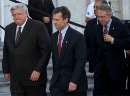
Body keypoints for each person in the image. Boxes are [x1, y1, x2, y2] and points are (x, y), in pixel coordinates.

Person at [2, 3, 51, 96]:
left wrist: (38, 70)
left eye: (19, 14)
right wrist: (6, 70)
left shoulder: (38, 26)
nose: (16, 17)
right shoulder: (9, 28)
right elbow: (6, 51)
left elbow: (46, 50)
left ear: (26, 13)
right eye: (14, 15)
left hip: (34, 78)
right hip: (16, 79)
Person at [85, 4, 130, 96]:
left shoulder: (119, 25)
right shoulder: (96, 27)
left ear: (109, 15)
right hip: (100, 71)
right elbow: (92, 47)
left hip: (116, 71)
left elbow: (128, 43)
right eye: (98, 17)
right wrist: (94, 63)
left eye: (103, 17)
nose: (100, 19)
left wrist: (113, 40)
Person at [50, 6, 88, 96]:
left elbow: (81, 60)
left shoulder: (78, 37)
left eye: (57, 20)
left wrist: (74, 81)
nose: (54, 22)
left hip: (74, 84)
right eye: (53, 19)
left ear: (66, 19)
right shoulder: (53, 37)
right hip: (57, 85)